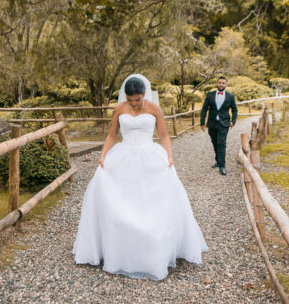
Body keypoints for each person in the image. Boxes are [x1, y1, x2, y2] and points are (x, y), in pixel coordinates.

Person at [73, 74, 207, 280]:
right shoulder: (119, 109)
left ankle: (153, 249)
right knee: (117, 198)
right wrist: (103, 154)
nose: (134, 104)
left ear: (145, 94)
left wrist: (169, 155)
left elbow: (163, 135)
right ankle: (121, 248)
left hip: (149, 155)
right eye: (130, 100)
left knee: (153, 203)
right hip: (124, 156)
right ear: (125, 97)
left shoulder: (154, 109)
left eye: (137, 100)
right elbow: (111, 135)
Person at [200, 76, 238, 175]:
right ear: (217, 84)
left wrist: (233, 121)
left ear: (226, 84)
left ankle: (222, 166)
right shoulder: (210, 95)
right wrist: (202, 122)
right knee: (214, 142)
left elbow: (234, 110)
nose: (221, 84)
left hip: (224, 124)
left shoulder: (230, 96)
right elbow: (204, 109)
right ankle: (218, 160)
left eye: (223, 83)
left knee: (221, 144)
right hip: (212, 123)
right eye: (219, 83)